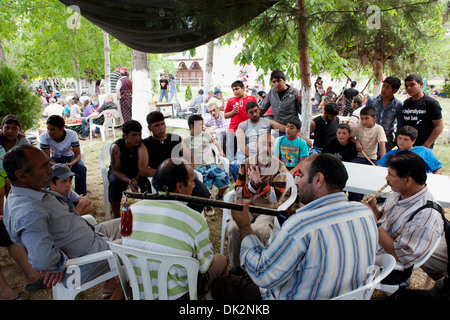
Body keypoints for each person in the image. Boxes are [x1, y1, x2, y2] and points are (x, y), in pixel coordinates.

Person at [212, 153, 378, 300]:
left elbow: (262, 275)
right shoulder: (366, 213)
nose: (297, 181)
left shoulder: (302, 225)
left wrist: (245, 227)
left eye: (302, 176)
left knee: (221, 284)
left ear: (318, 180)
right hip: (351, 295)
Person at [3, 145, 121, 292]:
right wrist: (57, 263)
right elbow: (43, 260)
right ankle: (120, 290)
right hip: (92, 255)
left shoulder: (28, 190)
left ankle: (112, 284)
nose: (50, 170)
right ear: (22, 175)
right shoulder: (29, 212)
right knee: (146, 242)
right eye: (44, 166)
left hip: (92, 235)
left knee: (134, 223)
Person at [117, 158, 228, 300]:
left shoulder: (132, 210)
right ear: (179, 186)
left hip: (138, 292)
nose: (195, 185)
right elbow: (204, 266)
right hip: (177, 296)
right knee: (221, 259)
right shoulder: (195, 220)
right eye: (193, 181)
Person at [362, 151, 446, 286]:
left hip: (382, 265)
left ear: (408, 180)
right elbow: (383, 218)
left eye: (390, 174)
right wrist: (374, 209)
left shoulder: (425, 216)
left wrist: (374, 223)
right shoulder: (398, 193)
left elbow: (400, 255)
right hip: (371, 245)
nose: (386, 178)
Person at [227, 132, 288, 274]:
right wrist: (253, 185)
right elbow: (238, 191)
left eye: (270, 144)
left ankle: (256, 266)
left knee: (260, 230)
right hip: (246, 206)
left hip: (267, 210)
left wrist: (258, 181)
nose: (266, 148)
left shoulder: (280, 167)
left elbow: (275, 197)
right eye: (263, 143)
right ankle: (236, 266)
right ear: (256, 145)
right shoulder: (246, 163)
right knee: (234, 228)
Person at [137, 111, 211, 214]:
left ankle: (188, 216)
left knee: (202, 194)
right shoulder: (146, 143)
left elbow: (189, 158)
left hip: (181, 175)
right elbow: (143, 170)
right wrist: (166, 173)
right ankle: (174, 216)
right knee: (170, 201)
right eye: (156, 125)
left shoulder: (175, 138)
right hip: (160, 178)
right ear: (150, 128)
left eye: (162, 124)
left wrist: (187, 172)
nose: (161, 128)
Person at [184, 114, 230, 201]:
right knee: (204, 185)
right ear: (192, 126)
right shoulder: (186, 140)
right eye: (200, 125)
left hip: (211, 164)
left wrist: (221, 152)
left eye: (202, 124)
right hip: (198, 167)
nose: (203, 126)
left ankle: (219, 196)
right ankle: (207, 201)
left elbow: (215, 143)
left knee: (224, 178)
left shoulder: (206, 135)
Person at [108, 120, 148, 219]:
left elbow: (143, 167)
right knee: (114, 183)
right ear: (125, 135)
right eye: (134, 135)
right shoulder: (116, 147)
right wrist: (129, 181)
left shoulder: (141, 145)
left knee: (146, 183)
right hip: (119, 172)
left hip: (137, 171)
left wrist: (137, 179)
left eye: (140, 134)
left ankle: (147, 210)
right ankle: (117, 216)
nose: (138, 138)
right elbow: (116, 171)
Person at [39, 115, 87, 196]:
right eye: (48, 129)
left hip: (69, 158)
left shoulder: (72, 134)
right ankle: (50, 195)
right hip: (53, 159)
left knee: (81, 168)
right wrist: (57, 165)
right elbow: (46, 158)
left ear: (62, 129)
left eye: (53, 129)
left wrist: (71, 163)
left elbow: (78, 155)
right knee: (45, 171)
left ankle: (80, 197)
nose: (49, 132)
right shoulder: (44, 136)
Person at [398, 74, 444, 149]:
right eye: (406, 86)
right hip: (407, 146)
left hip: (423, 146)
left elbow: (439, 126)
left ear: (421, 84)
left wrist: (426, 145)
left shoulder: (430, 103)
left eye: (412, 85)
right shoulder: (406, 103)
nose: (409, 88)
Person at [377, 126, 442, 174]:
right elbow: (379, 168)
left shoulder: (424, 151)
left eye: (406, 139)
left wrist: (434, 181)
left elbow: (438, 168)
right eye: (400, 138)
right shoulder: (392, 154)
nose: (401, 141)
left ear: (413, 141)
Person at [365, 76, 403, 151]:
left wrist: (394, 143)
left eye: (388, 87)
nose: (384, 89)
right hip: (369, 138)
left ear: (394, 91)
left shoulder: (398, 105)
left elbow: (400, 125)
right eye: (383, 86)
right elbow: (364, 118)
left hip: (386, 140)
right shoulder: (372, 101)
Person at [224, 80, 257, 162]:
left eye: (237, 89)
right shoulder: (231, 100)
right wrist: (233, 112)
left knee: (248, 150)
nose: (235, 92)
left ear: (243, 88)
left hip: (248, 130)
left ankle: (248, 168)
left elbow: (257, 112)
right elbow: (225, 115)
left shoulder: (251, 98)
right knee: (231, 151)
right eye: (233, 90)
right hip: (233, 129)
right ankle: (230, 170)